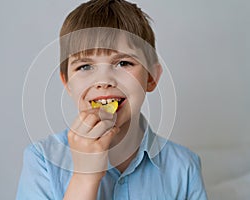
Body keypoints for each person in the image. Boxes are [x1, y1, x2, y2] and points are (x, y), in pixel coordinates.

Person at [16, 0, 208, 199]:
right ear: (67, 83)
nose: (103, 81)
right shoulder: (41, 160)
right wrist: (85, 178)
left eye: (123, 63)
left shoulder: (185, 167)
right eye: (84, 66)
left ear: (151, 77)